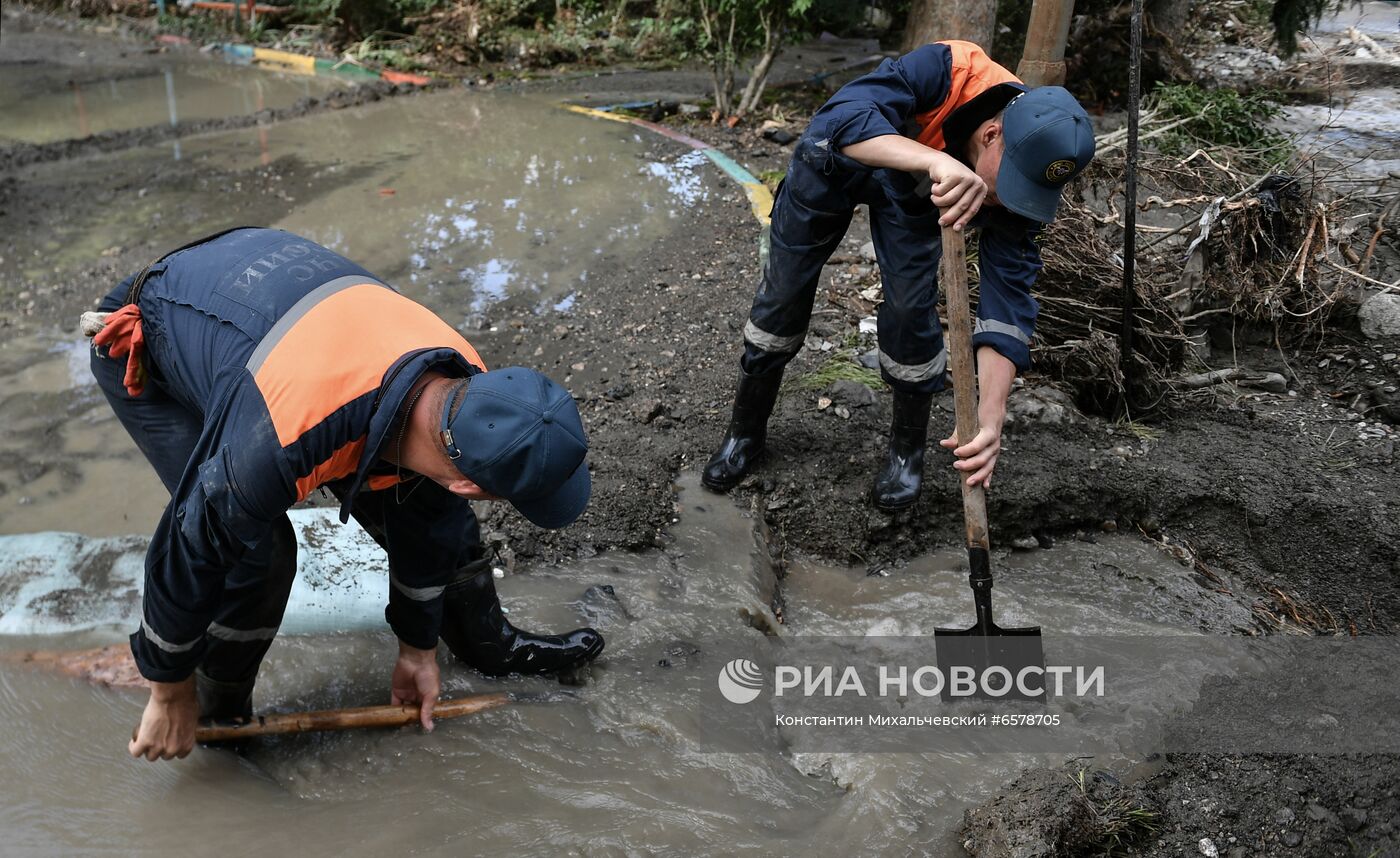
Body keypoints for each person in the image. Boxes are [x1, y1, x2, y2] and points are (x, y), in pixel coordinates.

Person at [88, 227, 605, 762]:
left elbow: (433, 520)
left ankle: (487, 648)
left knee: (425, 502)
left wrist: (417, 649)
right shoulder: (281, 439)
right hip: (155, 328)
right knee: (256, 553)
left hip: (274, 297)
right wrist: (167, 689)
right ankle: (218, 715)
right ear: (471, 486)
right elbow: (187, 547)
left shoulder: (467, 381)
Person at [702, 40, 1095, 509]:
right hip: (836, 161)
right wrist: (935, 159)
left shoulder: (1026, 180)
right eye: (1010, 182)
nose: (1011, 198)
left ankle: (907, 451)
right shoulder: (951, 69)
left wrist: (990, 418)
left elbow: (1007, 300)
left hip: (912, 196)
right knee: (784, 292)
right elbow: (840, 120)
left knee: (911, 307)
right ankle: (745, 432)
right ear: (992, 135)